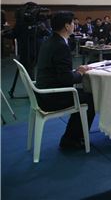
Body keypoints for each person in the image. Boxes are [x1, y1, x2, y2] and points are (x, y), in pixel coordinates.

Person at [35, 11, 94, 150]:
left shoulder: (49, 41)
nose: (74, 25)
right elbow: (66, 79)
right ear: (67, 26)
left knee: (83, 95)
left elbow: (60, 72)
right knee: (90, 98)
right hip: (52, 96)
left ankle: (71, 136)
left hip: (43, 92)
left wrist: (75, 72)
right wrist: (79, 73)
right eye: (73, 23)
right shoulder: (61, 45)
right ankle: (71, 139)